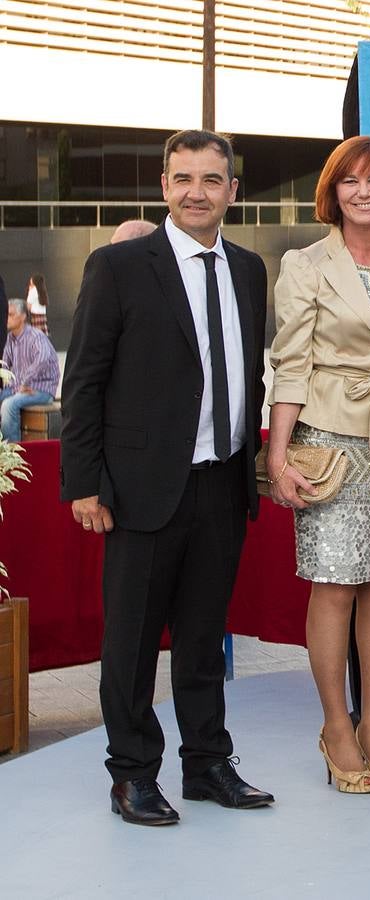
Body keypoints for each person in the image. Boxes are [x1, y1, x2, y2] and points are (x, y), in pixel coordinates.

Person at [60, 129, 273, 825]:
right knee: (130, 643)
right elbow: (84, 382)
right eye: (183, 178)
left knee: (204, 638)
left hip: (221, 481)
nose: (196, 192)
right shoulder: (120, 266)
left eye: (211, 180)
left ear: (232, 191)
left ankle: (208, 764)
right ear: (163, 186)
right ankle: (132, 775)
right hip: (141, 488)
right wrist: (82, 482)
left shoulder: (246, 270)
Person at [267, 135, 370, 795]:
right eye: (352, 180)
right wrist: (276, 453)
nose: (365, 191)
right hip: (329, 438)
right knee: (333, 587)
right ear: (333, 191)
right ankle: (335, 727)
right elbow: (291, 362)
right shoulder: (305, 263)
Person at [2, 298, 59, 442]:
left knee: (9, 405)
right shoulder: (10, 338)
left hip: (40, 390)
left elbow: (43, 359)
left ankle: (13, 451)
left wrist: (25, 383)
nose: (6, 318)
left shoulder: (36, 336)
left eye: (11, 314)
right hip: (19, 388)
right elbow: (5, 366)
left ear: (23, 317)